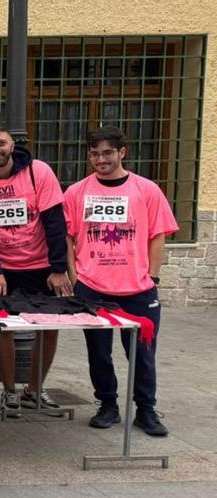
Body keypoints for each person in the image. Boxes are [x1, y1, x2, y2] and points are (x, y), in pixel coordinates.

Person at [65, 127, 178, 436]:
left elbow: (158, 235)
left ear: (122, 152)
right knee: (98, 352)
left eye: (107, 153)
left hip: (139, 289)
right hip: (92, 287)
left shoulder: (147, 190)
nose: (100, 159)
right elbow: (68, 237)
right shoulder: (76, 192)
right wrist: (75, 277)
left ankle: (146, 410)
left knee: (142, 353)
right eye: (94, 154)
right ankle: (107, 405)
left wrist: (152, 276)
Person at [0, 124, 72, 416]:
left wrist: (59, 268)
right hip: (2, 269)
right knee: (1, 329)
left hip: (42, 266)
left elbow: (55, 222)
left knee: (48, 329)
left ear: (12, 144)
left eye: (1, 143)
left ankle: (34, 390)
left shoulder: (38, 171)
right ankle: (10, 391)